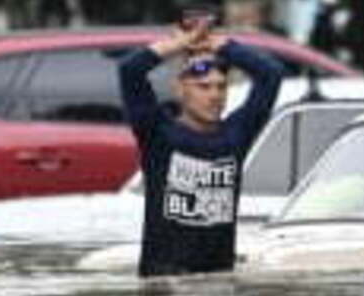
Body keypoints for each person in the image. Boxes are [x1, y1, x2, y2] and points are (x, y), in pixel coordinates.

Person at [118, 14, 283, 277]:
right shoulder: (159, 133)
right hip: (165, 284)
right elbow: (130, 70)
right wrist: (181, 43)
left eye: (221, 87)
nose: (215, 96)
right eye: (203, 87)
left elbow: (270, 75)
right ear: (180, 90)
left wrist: (219, 44)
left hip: (219, 281)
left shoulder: (236, 134)